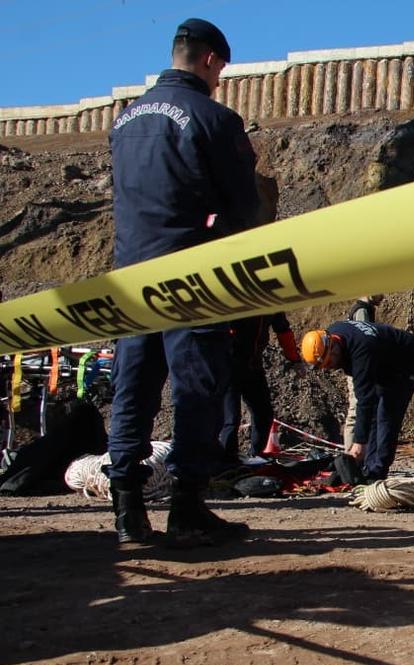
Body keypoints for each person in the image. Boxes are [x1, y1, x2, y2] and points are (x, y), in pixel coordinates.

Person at [105, 18, 258, 548]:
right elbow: (244, 209)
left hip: (131, 278)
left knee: (133, 389)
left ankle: (127, 511)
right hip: (191, 277)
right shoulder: (214, 118)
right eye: (222, 70)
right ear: (211, 60)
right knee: (196, 389)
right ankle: (187, 508)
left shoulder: (123, 122)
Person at [300, 320, 414, 482]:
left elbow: (365, 400)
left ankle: (377, 472)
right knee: (375, 414)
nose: (331, 368)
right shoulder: (334, 332)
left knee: (387, 412)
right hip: (384, 364)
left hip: (409, 361)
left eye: (330, 363)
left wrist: (359, 442)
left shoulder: (361, 353)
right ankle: (368, 466)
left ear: (332, 348)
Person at [220, 313, 300, 462]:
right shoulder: (239, 304)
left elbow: (282, 329)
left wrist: (294, 358)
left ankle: (256, 457)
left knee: (264, 414)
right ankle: (226, 462)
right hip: (229, 367)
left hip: (252, 366)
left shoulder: (272, 305)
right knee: (231, 419)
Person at [343, 294, 385, 449]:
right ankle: (351, 455)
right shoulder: (362, 311)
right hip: (358, 370)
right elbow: (365, 342)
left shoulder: (363, 309)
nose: (383, 296)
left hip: (357, 369)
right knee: (357, 410)